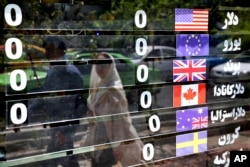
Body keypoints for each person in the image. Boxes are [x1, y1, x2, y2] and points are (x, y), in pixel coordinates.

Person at [28, 36, 85, 167]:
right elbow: (46, 95)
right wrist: (27, 113)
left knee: (52, 162)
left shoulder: (71, 73)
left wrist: (67, 132)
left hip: (63, 129)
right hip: (57, 127)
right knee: (67, 161)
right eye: (46, 49)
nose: (46, 53)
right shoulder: (53, 70)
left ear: (60, 51)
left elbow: (79, 106)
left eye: (50, 49)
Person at [81, 52, 143, 166]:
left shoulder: (113, 89)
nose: (99, 68)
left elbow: (119, 121)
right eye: (97, 64)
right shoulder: (98, 86)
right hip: (98, 139)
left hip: (109, 142)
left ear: (110, 67)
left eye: (103, 65)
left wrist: (117, 146)